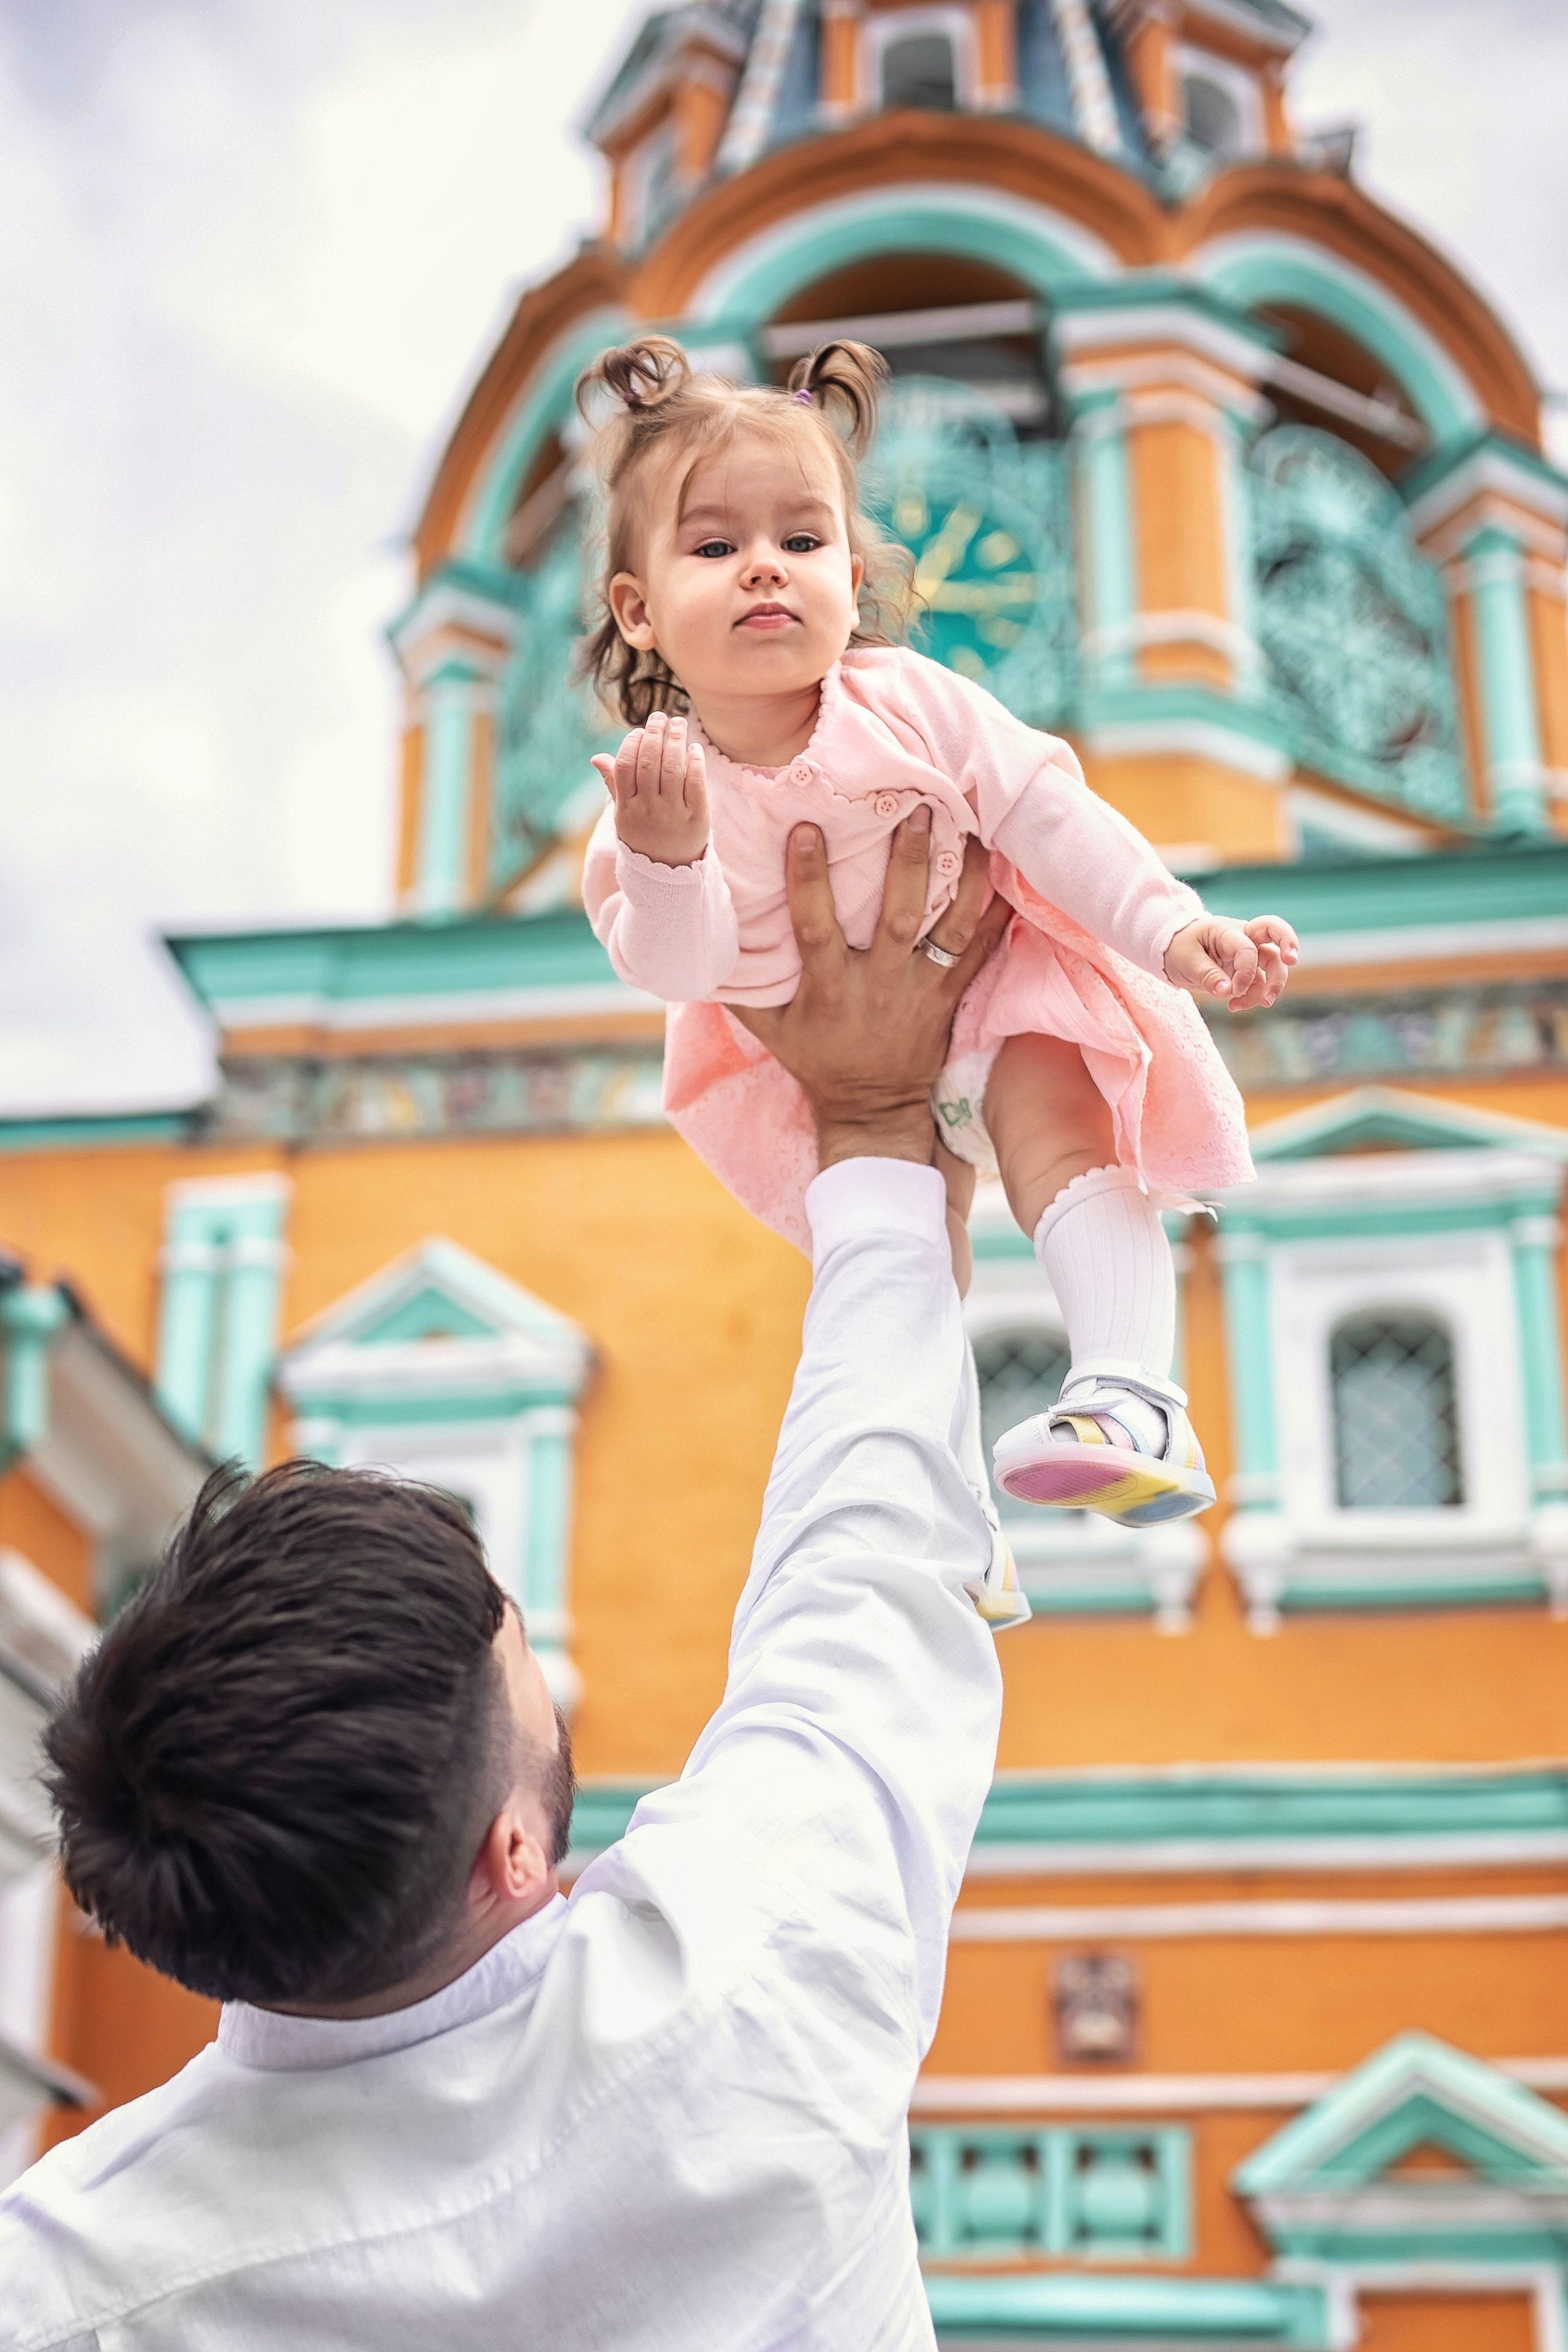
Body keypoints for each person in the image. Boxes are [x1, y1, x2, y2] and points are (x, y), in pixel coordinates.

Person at [2, 818, 1018, 2351]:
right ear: (511, 1855)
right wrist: (876, 1133)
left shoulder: (75, 2283)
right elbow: (865, 1560)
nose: (541, 1666)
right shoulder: (756, 1983)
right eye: (520, 1657)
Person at [579, 334, 1298, 1531]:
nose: (765, 568)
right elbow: (681, 966)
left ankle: (1130, 1396)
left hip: (1001, 981)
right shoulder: (662, 789)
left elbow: (1046, 811)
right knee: (907, 1237)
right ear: (638, 611)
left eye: (801, 542)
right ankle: (945, 1499)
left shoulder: (907, 702)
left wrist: (1169, 930)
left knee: (1058, 1119)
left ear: (851, 580)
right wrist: (665, 861)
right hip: (812, 1067)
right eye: (716, 546)